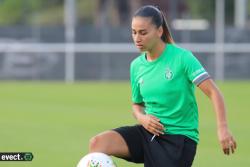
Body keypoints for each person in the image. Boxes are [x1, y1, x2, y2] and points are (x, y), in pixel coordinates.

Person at [89, 5, 237, 167]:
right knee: (97, 144)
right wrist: (142, 118)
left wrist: (223, 128)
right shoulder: (136, 66)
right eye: (134, 32)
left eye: (143, 32)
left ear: (159, 31)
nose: (137, 38)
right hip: (148, 133)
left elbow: (214, 93)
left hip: (178, 139)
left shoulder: (182, 58)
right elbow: (136, 105)